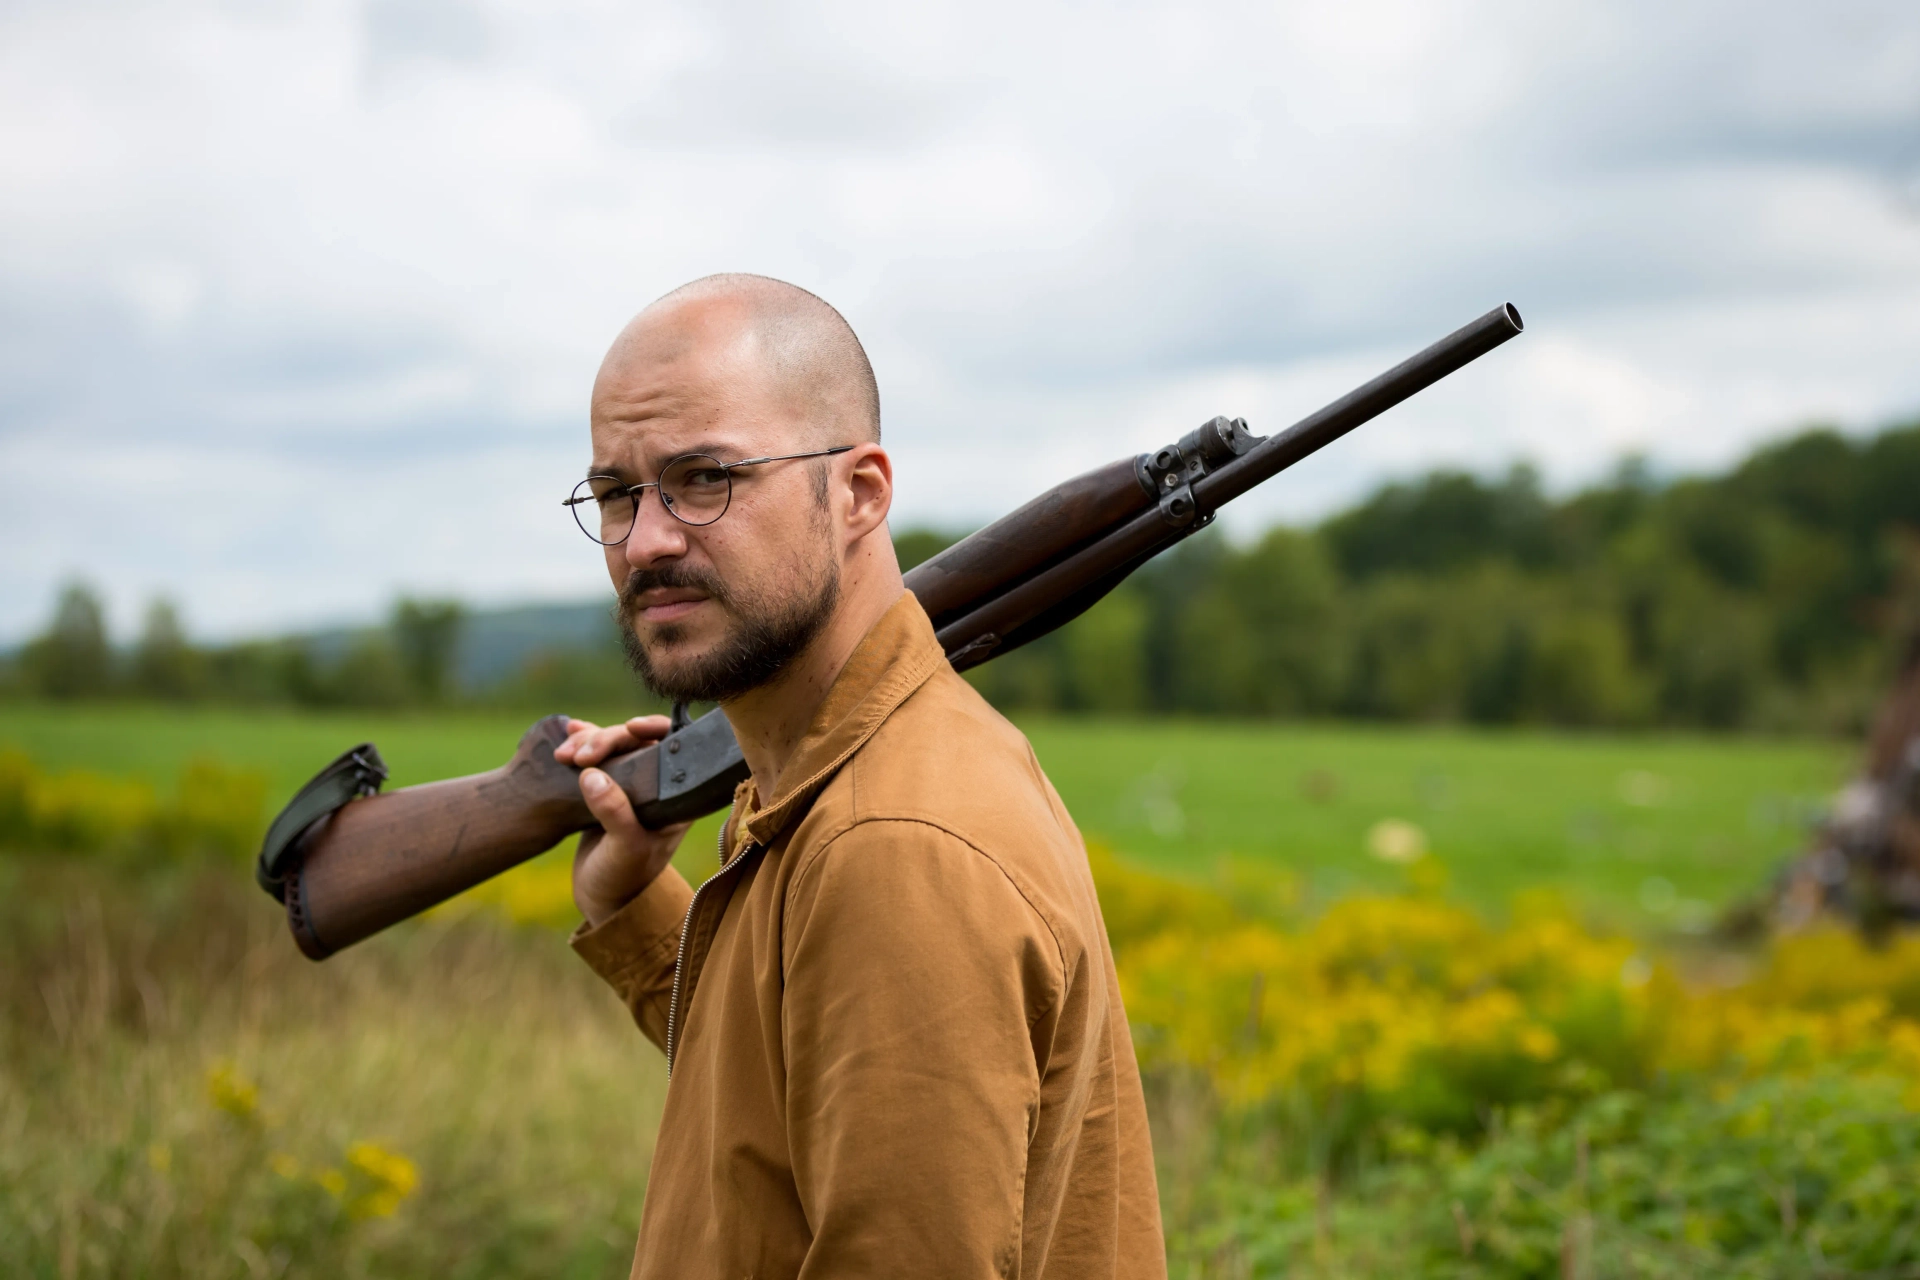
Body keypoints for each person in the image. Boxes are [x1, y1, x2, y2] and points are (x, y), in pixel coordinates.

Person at [552, 273, 1165, 1279]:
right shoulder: (843, 779)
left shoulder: (890, 843)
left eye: (704, 477)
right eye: (617, 492)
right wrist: (631, 902)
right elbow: (785, 1110)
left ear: (860, 492)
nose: (648, 539)